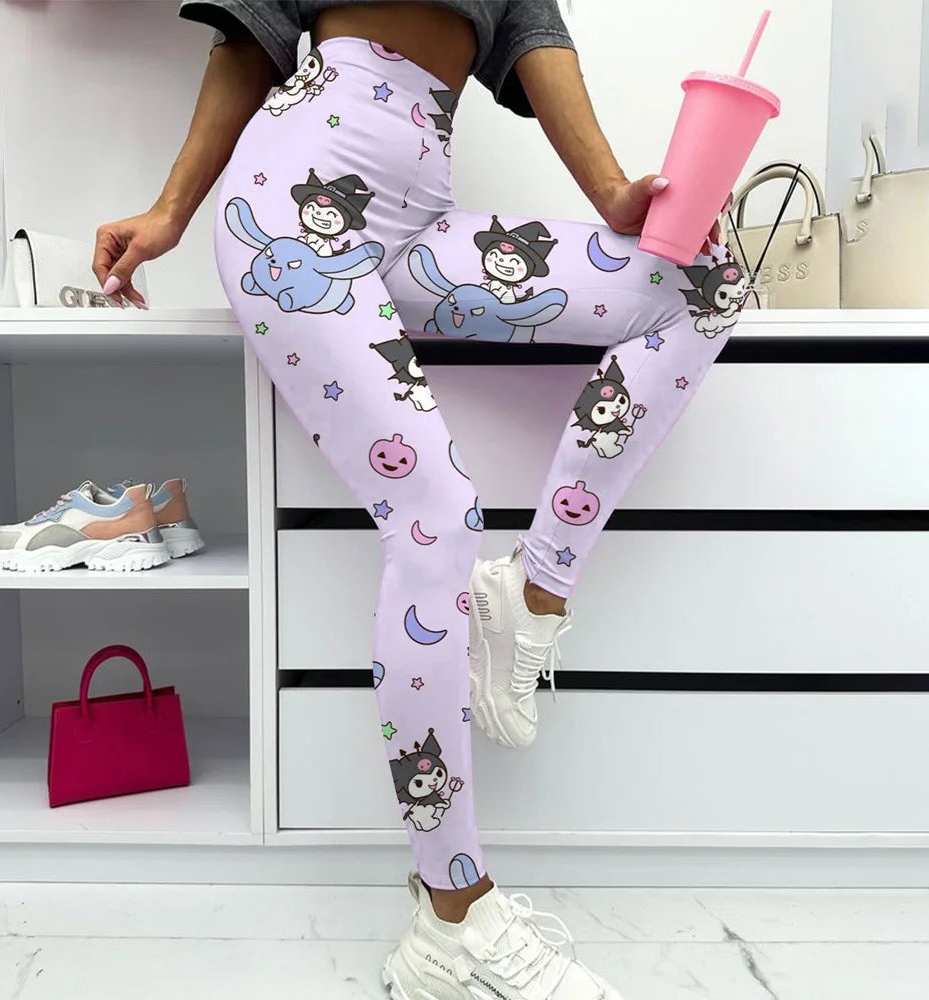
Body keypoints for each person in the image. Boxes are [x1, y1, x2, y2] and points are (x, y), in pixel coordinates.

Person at [92, 3, 744, 997]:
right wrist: (171, 212)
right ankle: (452, 912)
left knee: (701, 283)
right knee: (437, 519)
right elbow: (248, 41)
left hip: (418, 216)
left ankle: (533, 590)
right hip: (293, 207)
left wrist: (615, 193)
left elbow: (536, 42)